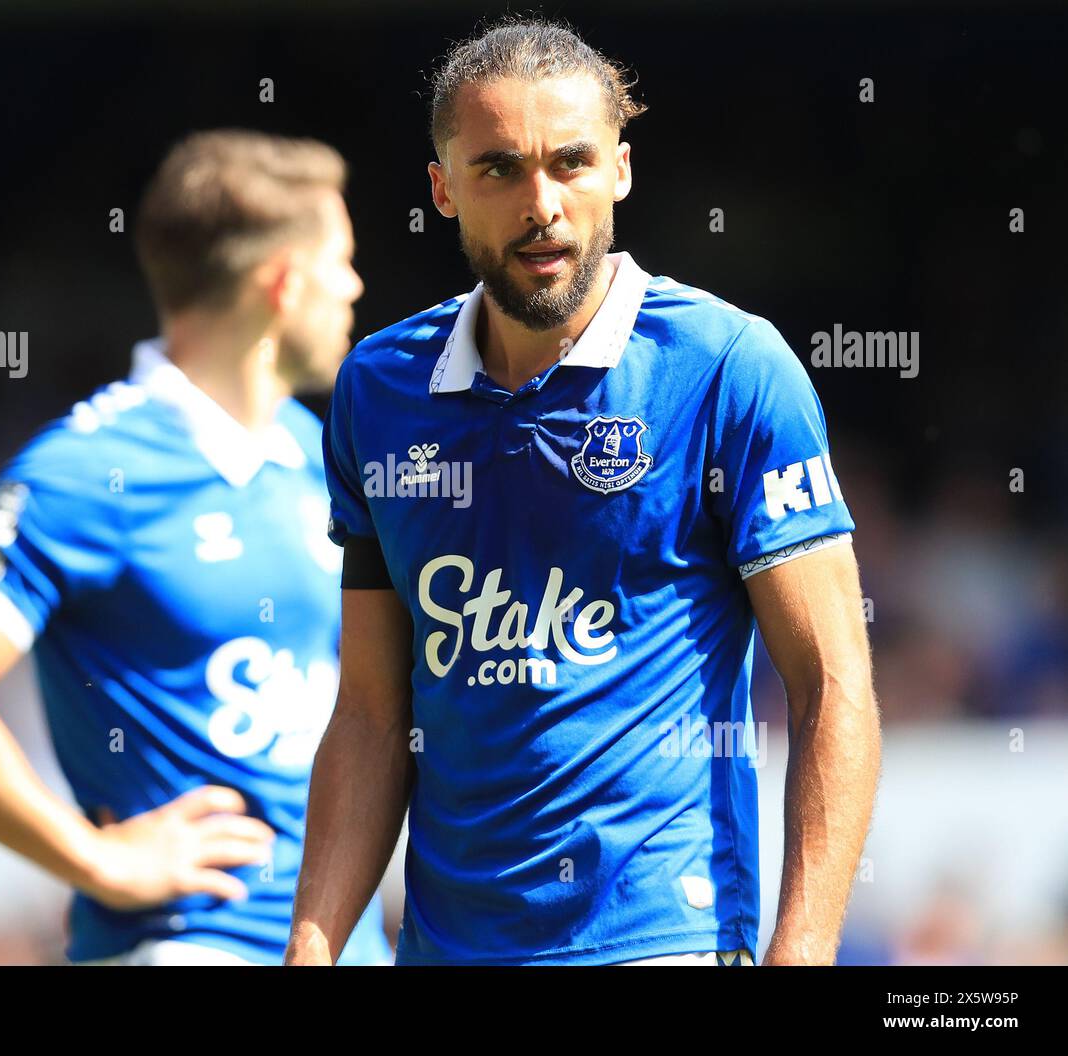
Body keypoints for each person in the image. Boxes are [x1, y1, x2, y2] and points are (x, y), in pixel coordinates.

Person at [286, 17, 881, 966]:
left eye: (571, 163)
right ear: (441, 189)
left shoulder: (728, 367)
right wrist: (312, 946)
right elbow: (367, 713)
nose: (543, 204)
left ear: (622, 171)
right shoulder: (376, 391)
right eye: (500, 171)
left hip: (666, 940)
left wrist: (801, 952)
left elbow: (832, 686)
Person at [0, 129, 390, 966]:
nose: (356, 287)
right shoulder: (91, 467)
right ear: (283, 285)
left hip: (340, 947)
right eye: (343, 261)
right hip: (192, 944)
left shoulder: (310, 450)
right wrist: (95, 858)